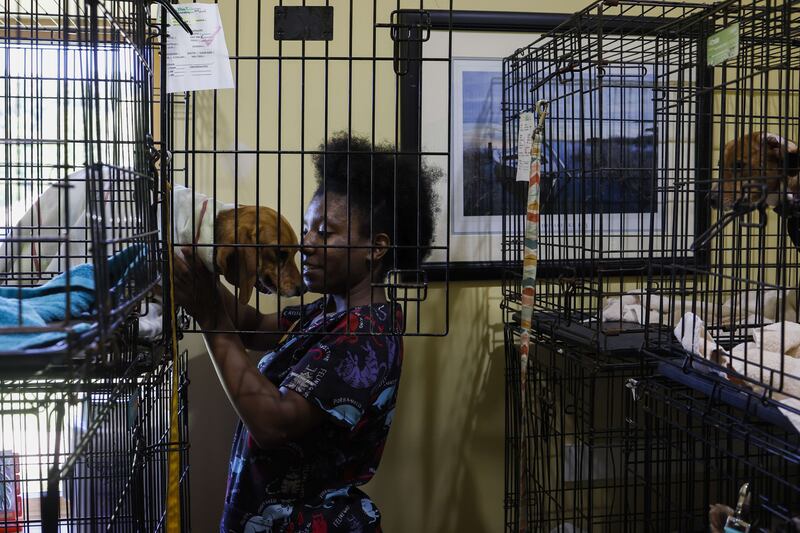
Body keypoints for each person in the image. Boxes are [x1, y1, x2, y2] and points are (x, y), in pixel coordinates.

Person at [173, 132, 438, 533]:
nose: (306, 245)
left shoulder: (364, 338)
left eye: (325, 233)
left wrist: (208, 312)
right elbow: (255, 326)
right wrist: (201, 276)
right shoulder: (329, 310)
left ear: (376, 248)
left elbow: (273, 423)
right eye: (307, 229)